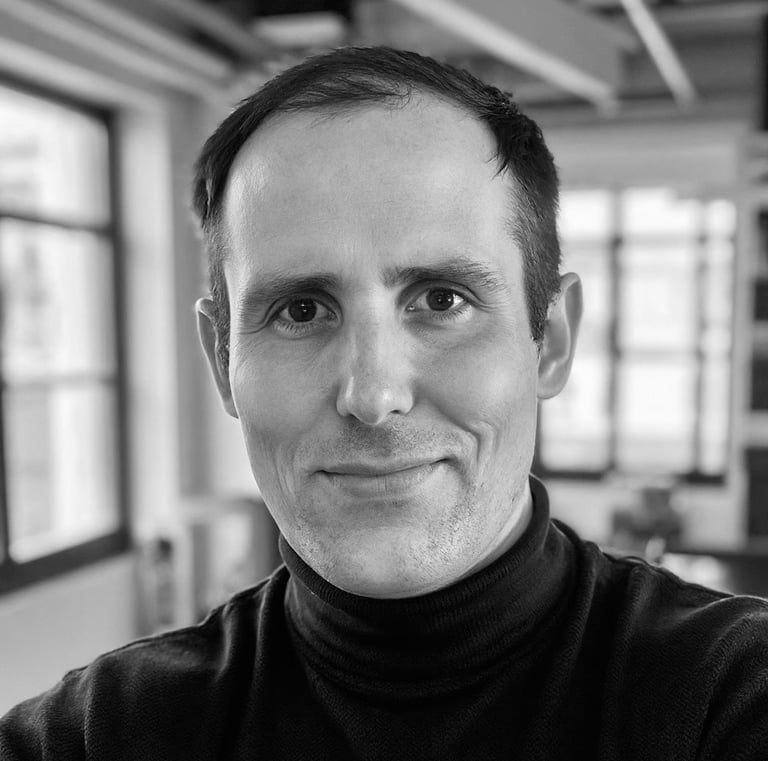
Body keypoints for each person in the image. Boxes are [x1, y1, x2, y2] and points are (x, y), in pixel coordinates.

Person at [1, 45, 767, 761]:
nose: (372, 395)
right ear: (221, 357)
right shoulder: (103, 735)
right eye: (300, 311)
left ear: (552, 340)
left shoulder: (729, 696)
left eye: (442, 298)